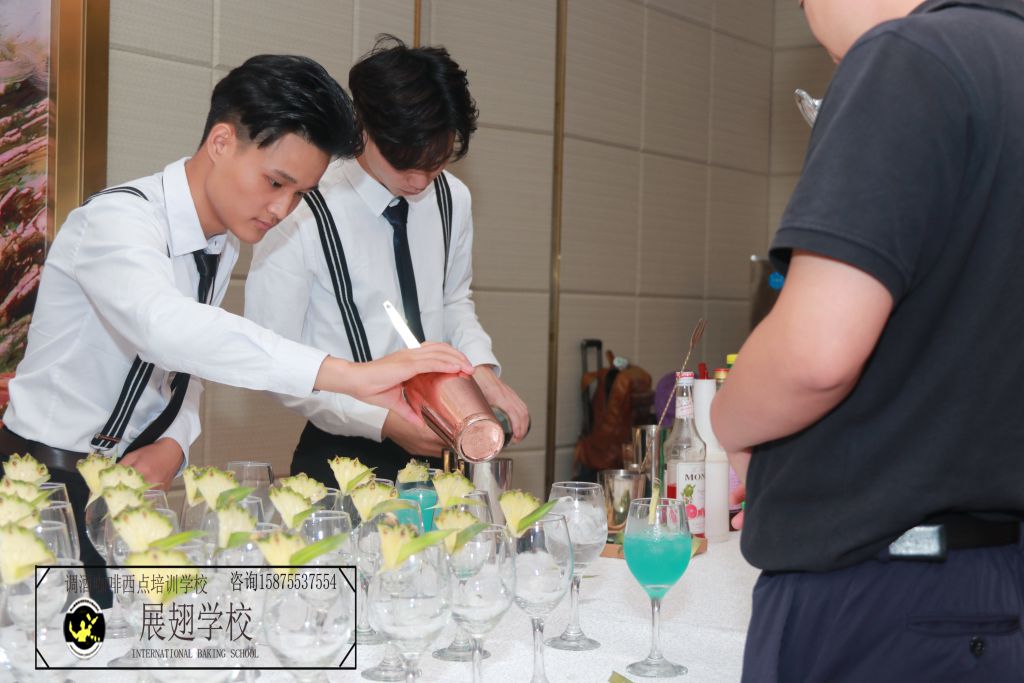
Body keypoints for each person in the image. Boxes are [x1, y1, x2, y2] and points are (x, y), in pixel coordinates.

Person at [0, 54, 471, 606]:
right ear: (222, 141)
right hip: (42, 486)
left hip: (128, 488)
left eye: (300, 194)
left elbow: (191, 361)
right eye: (275, 182)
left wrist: (174, 442)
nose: (282, 208)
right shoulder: (117, 221)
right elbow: (165, 329)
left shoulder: (218, 239)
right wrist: (348, 375)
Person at [710, 1, 1024, 680]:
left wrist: (727, 419)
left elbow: (814, 356)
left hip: (884, 595)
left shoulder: (910, 56)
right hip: (996, 581)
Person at [245, 37, 529, 485]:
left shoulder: (452, 198)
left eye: (435, 164)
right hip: (342, 455)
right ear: (363, 128)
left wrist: (481, 370)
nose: (419, 181)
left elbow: (453, 301)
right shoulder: (301, 205)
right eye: (403, 163)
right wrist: (383, 421)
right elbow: (274, 357)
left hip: (442, 441)